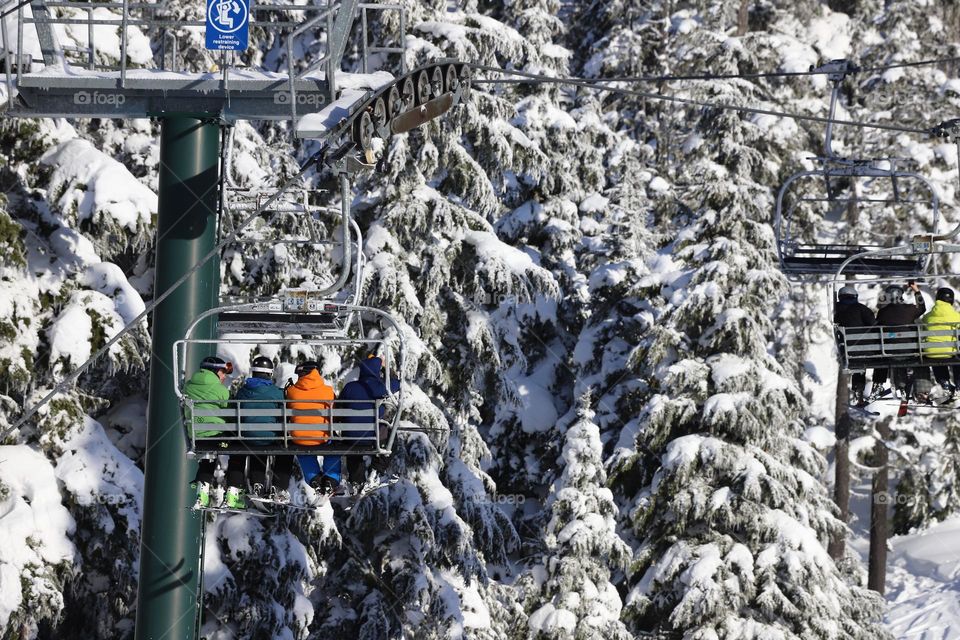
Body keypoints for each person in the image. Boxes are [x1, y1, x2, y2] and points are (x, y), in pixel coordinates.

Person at [185, 356, 243, 508]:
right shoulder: (220, 390)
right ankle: (233, 494)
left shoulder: (188, 386)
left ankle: (202, 493)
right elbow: (230, 413)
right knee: (240, 447)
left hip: (197, 438)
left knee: (208, 455)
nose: (224, 376)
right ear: (216, 371)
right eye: (223, 372)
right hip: (217, 438)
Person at [235, 355, 294, 503]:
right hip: (270, 439)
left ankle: (257, 484)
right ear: (269, 373)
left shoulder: (242, 392)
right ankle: (279, 487)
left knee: (257, 447)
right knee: (285, 451)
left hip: (247, 438)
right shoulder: (277, 393)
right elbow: (285, 415)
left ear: (253, 372)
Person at [339, 354, 400, 486]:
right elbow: (396, 383)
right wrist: (386, 368)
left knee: (353, 443)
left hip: (350, 438)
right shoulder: (379, 387)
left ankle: (356, 481)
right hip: (372, 437)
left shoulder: (350, 387)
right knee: (391, 439)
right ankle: (376, 472)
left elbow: (338, 408)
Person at [284, 360, 341, 494]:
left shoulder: (291, 391)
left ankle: (314, 479)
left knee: (303, 450)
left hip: (299, 438)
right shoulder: (328, 391)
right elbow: (336, 413)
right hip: (322, 437)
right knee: (334, 447)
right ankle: (331, 480)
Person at [871, 282, 926, 400]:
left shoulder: (883, 312)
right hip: (910, 351)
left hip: (890, 352)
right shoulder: (910, 309)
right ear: (901, 296)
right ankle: (920, 391)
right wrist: (916, 290)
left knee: (890, 355)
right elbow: (922, 308)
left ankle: (899, 387)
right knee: (916, 359)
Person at [834, 285, 876, 406]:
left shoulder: (837, 312)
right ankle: (878, 384)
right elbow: (873, 325)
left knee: (858, 366)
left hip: (849, 352)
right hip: (869, 350)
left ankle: (859, 393)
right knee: (884, 358)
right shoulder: (861, 309)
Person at [922, 287, 960, 398]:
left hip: (931, 352)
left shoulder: (927, 317)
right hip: (950, 352)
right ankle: (959, 386)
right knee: (957, 357)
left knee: (936, 353)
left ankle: (945, 385)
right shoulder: (956, 316)